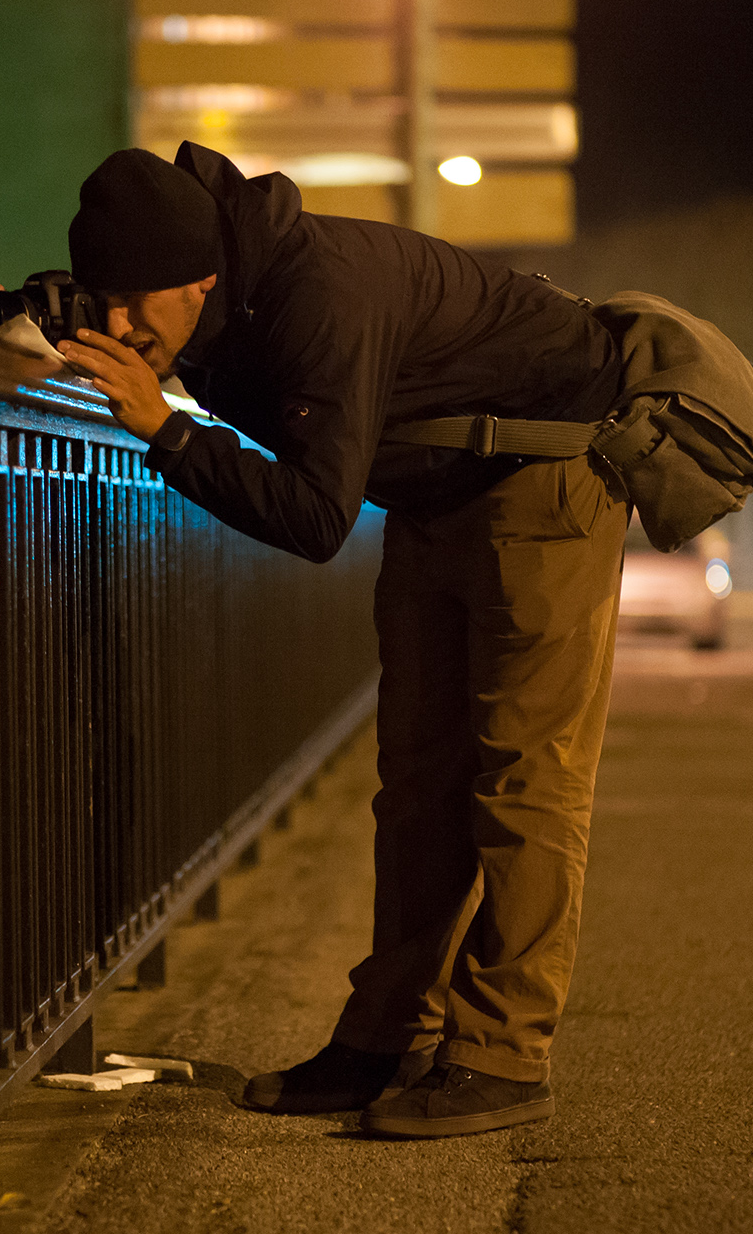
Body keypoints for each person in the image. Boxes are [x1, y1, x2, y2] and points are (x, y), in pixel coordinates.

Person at [55, 142, 628, 1138]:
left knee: (524, 778)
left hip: (546, 478)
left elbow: (320, 516)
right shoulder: (211, 287)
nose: (118, 327)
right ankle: (383, 1039)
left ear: (199, 278)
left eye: (134, 305)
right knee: (416, 782)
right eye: (102, 303)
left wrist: (169, 431)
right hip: (435, 491)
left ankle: (502, 1057)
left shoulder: (320, 294)